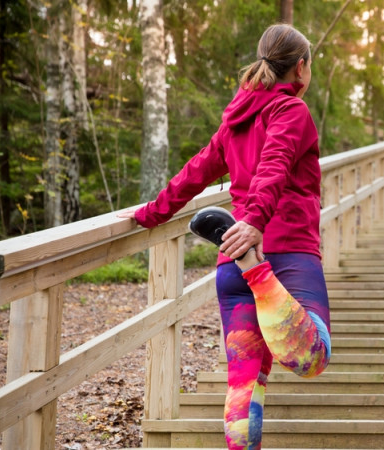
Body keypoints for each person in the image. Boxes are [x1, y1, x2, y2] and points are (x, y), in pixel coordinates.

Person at [118, 23, 331, 450]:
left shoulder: (236, 119)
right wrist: (253, 225)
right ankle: (259, 271)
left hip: (230, 263)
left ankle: (251, 267)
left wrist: (150, 213)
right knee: (313, 356)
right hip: (283, 253)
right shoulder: (292, 112)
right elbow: (275, 164)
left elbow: (194, 172)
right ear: (302, 68)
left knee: (244, 387)